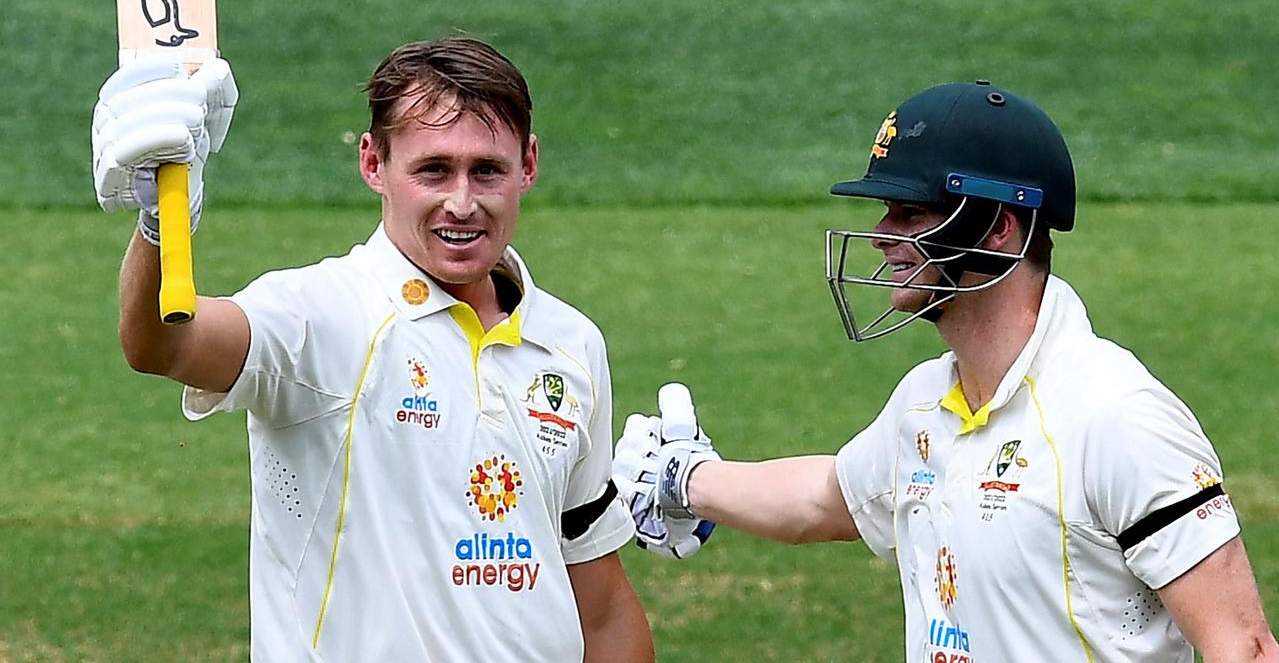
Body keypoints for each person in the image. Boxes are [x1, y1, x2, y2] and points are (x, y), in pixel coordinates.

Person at [614, 81, 1279, 661]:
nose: (878, 234)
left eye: (910, 213)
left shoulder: (1115, 417)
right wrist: (685, 478)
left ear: (999, 229)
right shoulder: (926, 402)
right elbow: (825, 500)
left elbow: (1243, 648)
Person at [93, 37, 653, 662]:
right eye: (433, 169)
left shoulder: (571, 344)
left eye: (486, 169)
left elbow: (600, 605)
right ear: (373, 164)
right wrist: (156, 228)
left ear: (528, 164)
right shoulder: (320, 314)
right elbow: (163, 345)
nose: (462, 203)